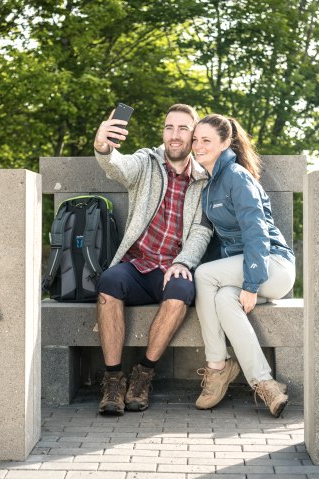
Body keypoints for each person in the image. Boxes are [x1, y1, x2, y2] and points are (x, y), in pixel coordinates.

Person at [92, 104, 212, 415]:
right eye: (169, 127)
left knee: (182, 291)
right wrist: (103, 147)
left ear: (193, 135)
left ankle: (144, 374)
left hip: (171, 268)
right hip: (137, 265)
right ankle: (114, 379)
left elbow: (201, 231)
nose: (175, 135)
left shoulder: (203, 179)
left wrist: (184, 262)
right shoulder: (146, 161)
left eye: (183, 128)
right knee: (108, 283)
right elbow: (118, 167)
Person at [191, 114, 295, 418]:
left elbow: (257, 233)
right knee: (224, 299)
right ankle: (265, 385)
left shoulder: (236, 176)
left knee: (205, 276)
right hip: (248, 270)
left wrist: (251, 284)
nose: (198, 145)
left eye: (206, 140)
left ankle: (217, 367)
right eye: (195, 139)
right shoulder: (210, 185)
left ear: (225, 144)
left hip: (273, 266)